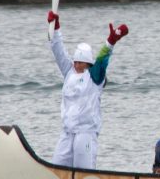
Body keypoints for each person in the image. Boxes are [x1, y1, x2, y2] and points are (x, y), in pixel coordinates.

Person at [47, 11, 128, 169]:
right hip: (67, 131)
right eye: (76, 62)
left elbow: (102, 60)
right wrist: (54, 26)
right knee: (56, 167)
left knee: (83, 171)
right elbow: (58, 51)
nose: (77, 65)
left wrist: (111, 41)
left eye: (81, 63)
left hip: (86, 133)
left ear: (88, 64)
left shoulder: (94, 77)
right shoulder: (69, 72)